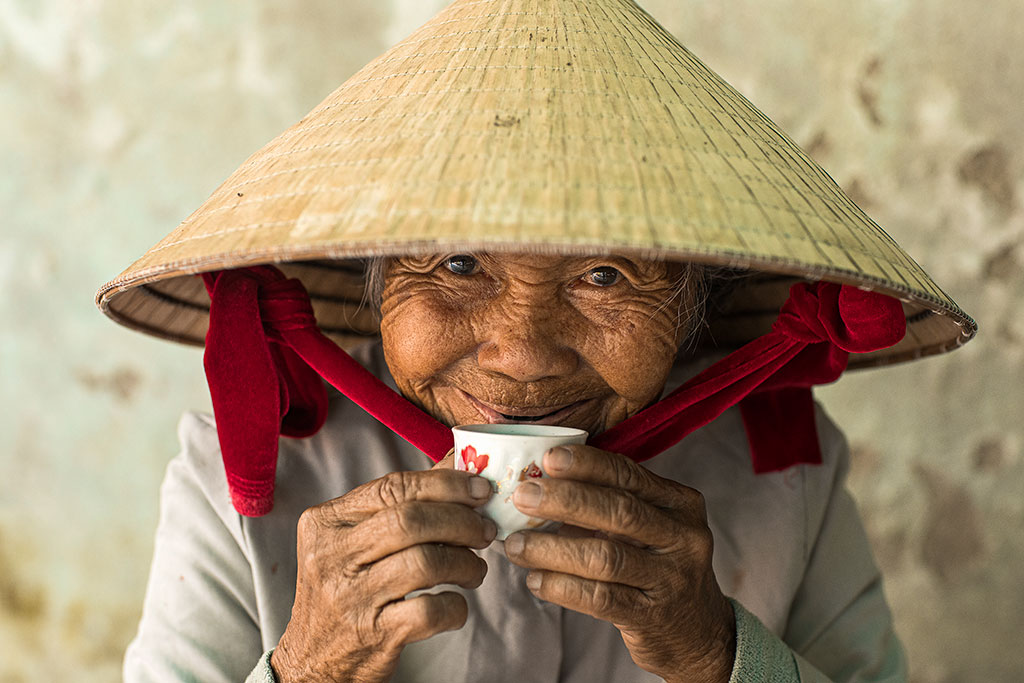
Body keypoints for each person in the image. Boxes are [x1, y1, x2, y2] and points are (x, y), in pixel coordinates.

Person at [97, 1, 975, 681]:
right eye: (459, 263)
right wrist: (312, 661)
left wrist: (717, 652)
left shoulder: (786, 465)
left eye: (604, 276)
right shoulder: (247, 459)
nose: (520, 352)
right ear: (374, 275)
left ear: (694, 300)